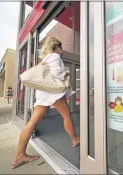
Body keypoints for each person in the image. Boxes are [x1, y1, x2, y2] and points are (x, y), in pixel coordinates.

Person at [11, 37, 80, 169]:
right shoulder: (55, 57)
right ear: (55, 48)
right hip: (53, 92)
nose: (62, 50)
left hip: (43, 93)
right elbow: (56, 75)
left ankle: (20, 155)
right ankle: (75, 139)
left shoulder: (45, 59)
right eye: (60, 47)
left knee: (32, 122)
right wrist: (65, 74)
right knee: (66, 116)